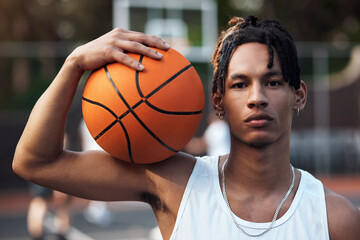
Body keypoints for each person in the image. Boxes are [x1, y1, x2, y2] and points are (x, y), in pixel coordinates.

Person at [13, 15, 360, 239]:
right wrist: (73, 64)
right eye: (239, 85)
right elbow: (35, 162)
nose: (257, 98)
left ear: (298, 95)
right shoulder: (173, 183)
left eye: (272, 82)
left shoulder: (336, 219)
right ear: (219, 101)